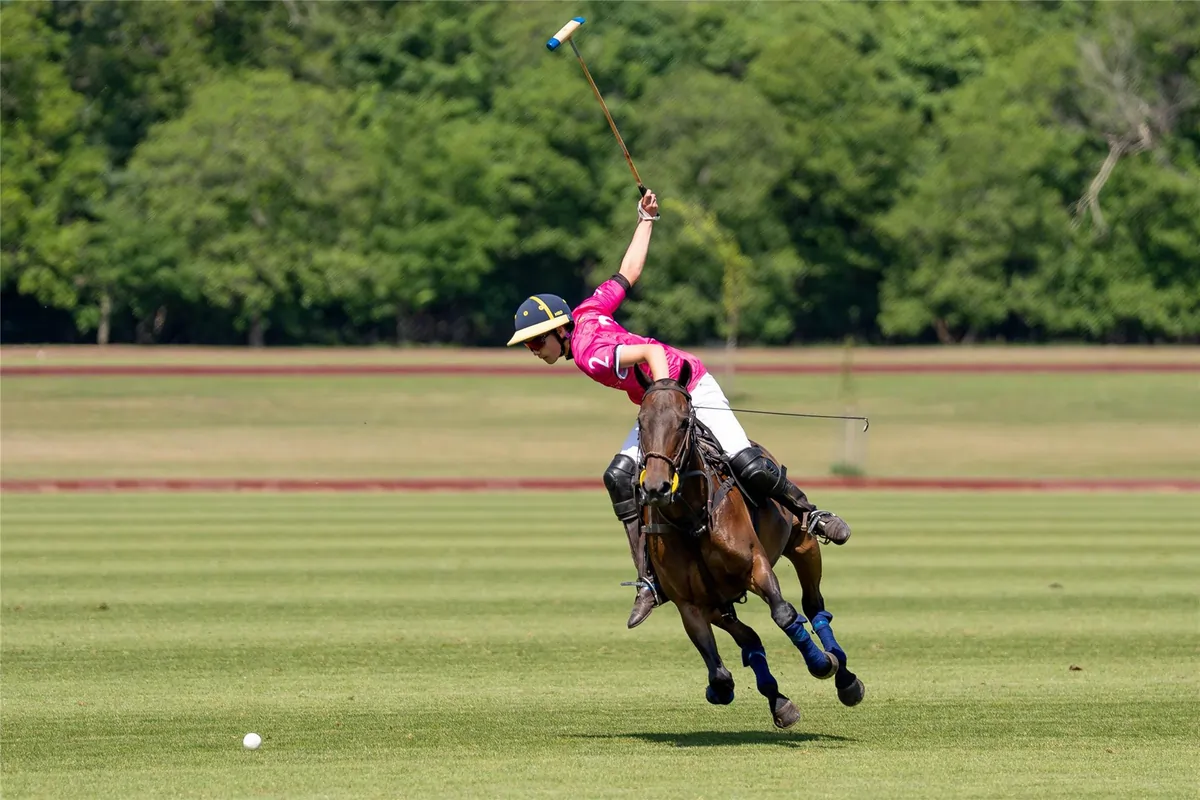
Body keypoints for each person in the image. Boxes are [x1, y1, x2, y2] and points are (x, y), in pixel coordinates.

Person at [506, 190, 851, 629]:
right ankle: (649, 582)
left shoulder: (591, 354)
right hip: (658, 404)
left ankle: (810, 514)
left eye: (537, 341)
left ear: (559, 330)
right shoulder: (589, 311)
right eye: (529, 345)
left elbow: (649, 352)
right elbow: (627, 272)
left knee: (747, 462)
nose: (534, 351)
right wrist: (645, 219)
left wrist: (668, 399)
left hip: (690, 387)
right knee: (618, 476)